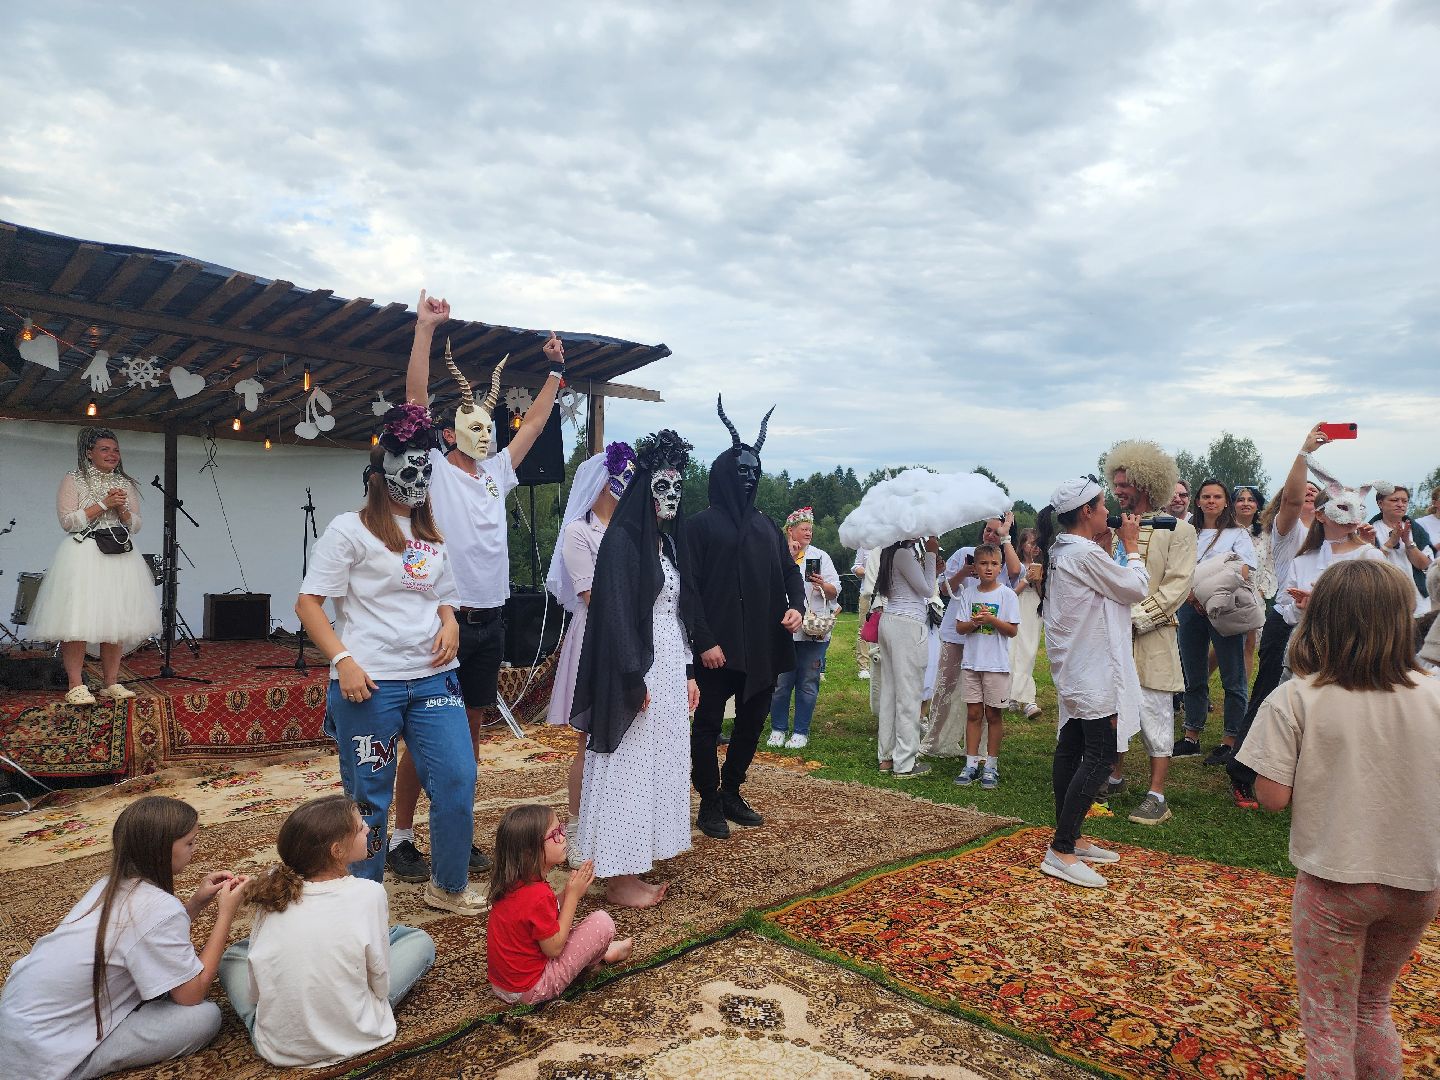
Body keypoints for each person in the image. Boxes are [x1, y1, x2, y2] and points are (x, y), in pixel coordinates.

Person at [387, 290, 567, 884]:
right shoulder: (434, 467)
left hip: (490, 618)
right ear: (452, 428)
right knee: (428, 734)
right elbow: (415, 398)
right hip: (447, 617)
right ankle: (402, 835)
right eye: (474, 424)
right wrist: (424, 331)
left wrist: (554, 372)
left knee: (466, 736)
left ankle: (453, 831)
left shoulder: (497, 474)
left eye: (490, 426)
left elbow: (537, 423)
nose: (484, 433)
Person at [1237, 560, 1440, 1078]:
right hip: (1419, 881)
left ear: (1320, 619)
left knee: (1329, 1023)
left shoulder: (1296, 698)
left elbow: (1272, 798)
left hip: (1336, 882)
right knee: (1374, 1006)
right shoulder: (1435, 694)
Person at [295, 404, 485, 916]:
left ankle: (447, 885)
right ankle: (363, 902)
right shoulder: (348, 530)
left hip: (433, 681)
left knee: (457, 780)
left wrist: (449, 623)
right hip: (370, 683)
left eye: (428, 468)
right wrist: (343, 659)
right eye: (409, 467)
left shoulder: (429, 532)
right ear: (380, 474)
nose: (420, 477)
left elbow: (439, 595)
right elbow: (308, 603)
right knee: (368, 801)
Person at [0, 796, 246, 1079]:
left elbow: (146, 935)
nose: (196, 848)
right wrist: (226, 914)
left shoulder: (107, 885)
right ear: (161, 850)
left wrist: (196, 903)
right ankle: (86, 1062)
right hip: (45, 1055)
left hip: (15, 1026)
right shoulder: (160, 909)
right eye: (190, 843)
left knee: (163, 978)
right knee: (205, 1016)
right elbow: (192, 995)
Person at [570, 430, 697, 906]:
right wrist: (630, 676)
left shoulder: (663, 543)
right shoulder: (623, 539)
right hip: (637, 664)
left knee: (657, 763)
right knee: (628, 763)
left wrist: (687, 671)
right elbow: (617, 612)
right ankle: (617, 874)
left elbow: (676, 609)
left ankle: (637, 860)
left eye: (677, 489)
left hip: (666, 659)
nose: (670, 498)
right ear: (645, 488)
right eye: (661, 488)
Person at [1227, 426, 1384, 808]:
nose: (1311, 498)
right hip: (1295, 632)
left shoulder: (1364, 551)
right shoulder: (1292, 536)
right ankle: (1247, 772)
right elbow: (1294, 501)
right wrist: (1305, 451)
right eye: (1307, 494)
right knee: (1275, 698)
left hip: (1348, 639)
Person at [218, 795, 436, 1068]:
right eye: (359, 828)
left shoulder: (270, 893)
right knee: (418, 940)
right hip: (360, 1034)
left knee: (234, 955)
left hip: (281, 1048)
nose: (368, 828)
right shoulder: (369, 894)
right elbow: (380, 985)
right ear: (337, 850)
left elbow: (255, 993)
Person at [685, 397, 804, 838]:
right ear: (723, 476)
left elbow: (790, 573)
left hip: (762, 643)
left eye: (755, 471)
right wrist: (704, 641)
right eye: (741, 472)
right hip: (717, 648)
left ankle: (732, 789)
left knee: (753, 720)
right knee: (709, 724)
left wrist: (796, 607)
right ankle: (709, 798)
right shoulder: (698, 527)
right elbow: (689, 590)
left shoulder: (767, 526)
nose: (749, 477)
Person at [1036, 478, 1147, 889]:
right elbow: (1134, 587)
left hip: (1078, 665)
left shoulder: (1065, 550)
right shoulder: (1080, 553)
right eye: (1102, 505)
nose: (1108, 512)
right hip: (1093, 668)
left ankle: (1074, 839)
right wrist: (1133, 548)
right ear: (1086, 511)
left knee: (1072, 745)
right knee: (1099, 754)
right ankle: (1061, 849)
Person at [26, 427, 161, 705]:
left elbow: (135, 525)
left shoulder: (125, 482)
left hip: (119, 554)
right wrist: (103, 503)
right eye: (105, 449)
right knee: (78, 619)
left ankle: (111, 682)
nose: (112, 454)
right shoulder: (73, 479)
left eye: (115, 450)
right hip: (84, 553)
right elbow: (67, 521)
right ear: (90, 453)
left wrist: (122, 509)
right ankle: (76, 684)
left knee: (116, 617)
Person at [1102, 441, 1197, 826]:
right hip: (1110, 636)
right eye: (1116, 483)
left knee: (1155, 711)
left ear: (1145, 482)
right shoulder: (1111, 528)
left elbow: (1176, 587)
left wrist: (1134, 619)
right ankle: (1114, 775)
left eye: (1124, 484)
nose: (1118, 490)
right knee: (1113, 709)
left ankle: (1157, 795)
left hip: (1153, 637)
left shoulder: (1181, 530)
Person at [543, 443, 635, 828]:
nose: (626, 485)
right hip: (597, 635)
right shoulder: (579, 532)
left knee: (629, 735)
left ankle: (619, 818)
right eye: (621, 477)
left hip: (633, 634)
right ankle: (581, 824)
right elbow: (589, 592)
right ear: (601, 482)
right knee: (590, 735)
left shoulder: (632, 532)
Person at [486, 805, 633, 1006]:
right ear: (530, 852)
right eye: (554, 834)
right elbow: (554, 948)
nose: (563, 836)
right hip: (532, 989)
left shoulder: (514, 884)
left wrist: (567, 893)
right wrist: (572, 897)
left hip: (503, 986)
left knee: (563, 925)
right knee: (602, 922)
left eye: (561, 829)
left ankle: (599, 953)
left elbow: (541, 916)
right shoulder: (537, 895)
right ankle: (600, 956)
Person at [923, 514, 1022, 757]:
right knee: (945, 685)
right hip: (957, 629)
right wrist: (964, 572)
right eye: (987, 530)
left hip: (989, 637)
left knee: (986, 694)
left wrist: (1005, 537)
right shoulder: (965, 553)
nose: (990, 535)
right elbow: (945, 588)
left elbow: (1017, 571)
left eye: (996, 532)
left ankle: (979, 748)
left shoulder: (1002, 560)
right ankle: (935, 740)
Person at [1174, 479, 1257, 765]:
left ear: (1225, 502)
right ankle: (1191, 736)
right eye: (1206, 496)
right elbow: (1177, 568)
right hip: (1188, 607)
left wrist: (1207, 591)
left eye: (1217, 496)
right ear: (1197, 501)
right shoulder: (1187, 532)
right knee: (1193, 673)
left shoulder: (1237, 533)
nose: (1211, 501)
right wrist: (1190, 596)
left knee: (1232, 675)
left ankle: (1230, 739)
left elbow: (1244, 569)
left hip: (1223, 607)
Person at [769, 507, 840, 750]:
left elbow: (835, 592)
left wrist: (823, 584)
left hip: (813, 630)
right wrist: (785, 557)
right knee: (780, 683)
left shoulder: (820, 557)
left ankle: (801, 731)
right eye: (804, 529)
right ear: (791, 531)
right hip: (784, 628)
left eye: (811, 529)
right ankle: (778, 728)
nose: (809, 532)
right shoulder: (776, 553)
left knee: (808, 682)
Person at [951, 544, 1020, 789]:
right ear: (975, 567)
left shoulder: (1007, 595)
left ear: (999, 567)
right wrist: (973, 623)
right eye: (983, 564)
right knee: (973, 714)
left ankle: (991, 765)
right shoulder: (969, 594)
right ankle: (971, 764)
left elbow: (1012, 630)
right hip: (972, 663)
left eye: (993, 564)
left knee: (993, 714)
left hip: (996, 665)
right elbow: (960, 627)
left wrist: (991, 620)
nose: (988, 568)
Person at [873, 537, 939, 778]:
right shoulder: (903, 553)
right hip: (908, 625)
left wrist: (929, 565)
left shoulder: (891, 552)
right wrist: (931, 556)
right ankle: (904, 762)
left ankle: (887, 757)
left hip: (891, 622)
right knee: (909, 694)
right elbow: (926, 590)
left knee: (890, 693)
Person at [1370, 484, 1432, 617]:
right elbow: (1369, 567)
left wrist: (1408, 542)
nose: (1400, 504)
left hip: (1419, 601)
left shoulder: (1417, 529)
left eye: (1404, 501)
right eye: (1394, 500)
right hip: (1385, 600)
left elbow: (1425, 565)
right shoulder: (1369, 530)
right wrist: (1390, 543)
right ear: (1380, 503)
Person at [1232, 484, 1269, 687]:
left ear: (1257, 504)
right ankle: (1196, 682)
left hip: (1255, 596)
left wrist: (1262, 590)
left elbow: (1270, 563)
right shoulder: (1226, 531)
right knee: (1226, 646)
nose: (1246, 503)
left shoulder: (1265, 533)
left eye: (1250, 500)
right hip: (1228, 593)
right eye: (1240, 499)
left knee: (1249, 644)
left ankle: (1242, 694)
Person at [1006, 529, 1044, 718]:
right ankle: (1015, 696)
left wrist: (1037, 581)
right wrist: (1026, 579)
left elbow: (1043, 596)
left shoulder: (1041, 566)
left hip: (1033, 607)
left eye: (1037, 543)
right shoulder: (1015, 566)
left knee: (1029, 650)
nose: (1034, 547)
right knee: (1013, 650)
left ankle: (1026, 697)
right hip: (1016, 605)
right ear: (1022, 545)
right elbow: (1010, 594)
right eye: (1030, 543)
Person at [852, 547, 875, 679]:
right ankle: (864, 666)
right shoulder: (864, 546)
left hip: (889, 594)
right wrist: (864, 571)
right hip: (867, 592)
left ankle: (884, 663)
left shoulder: (892, 542)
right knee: (865, 629)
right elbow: (856, 567)